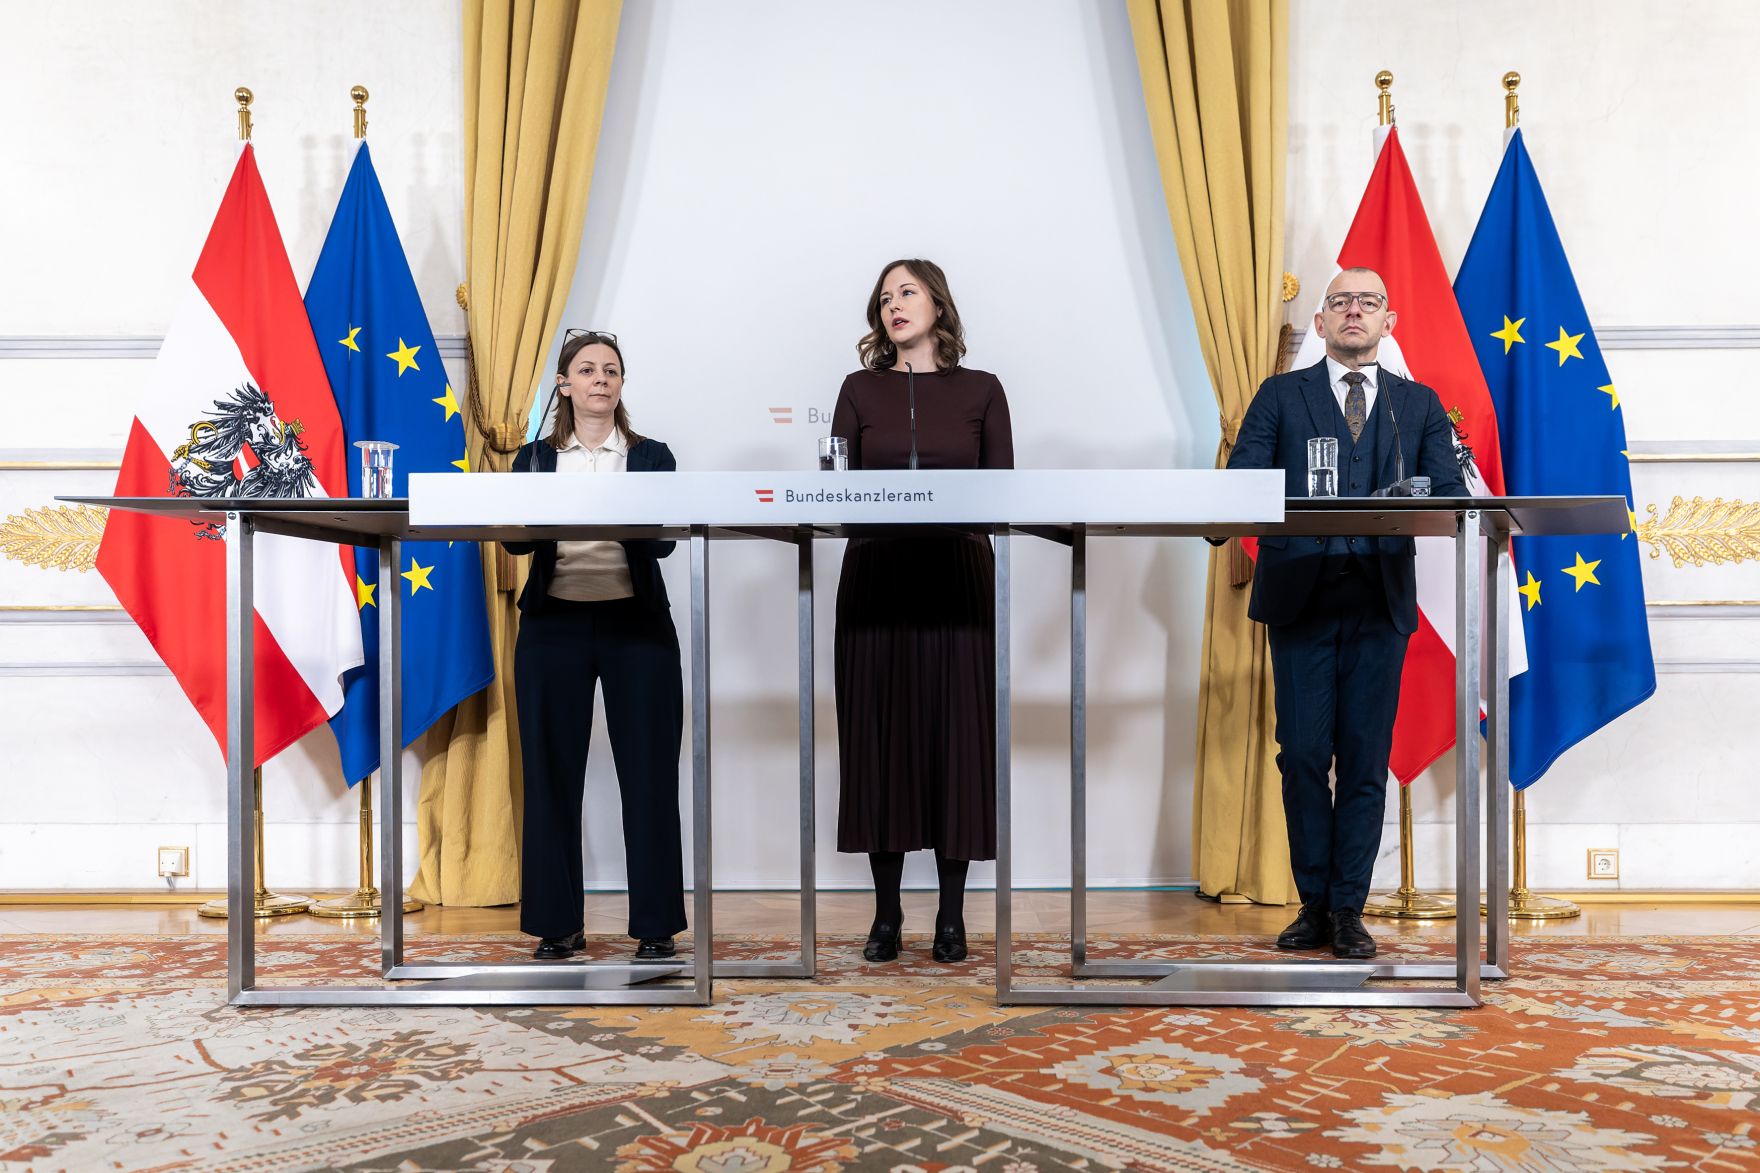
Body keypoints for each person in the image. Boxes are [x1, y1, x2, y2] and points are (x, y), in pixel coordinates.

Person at [1226, 267, 1467, 960]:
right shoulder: (1280, 395)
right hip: (1300, 597)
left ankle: (1348, 909)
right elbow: (1244, 481)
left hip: (1377, 602)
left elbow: (1449, 498)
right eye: (1339, 301)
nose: (1353, 310)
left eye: (1367, 301)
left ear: (1389, 322)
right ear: (1322, 324)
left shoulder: (1417, 405)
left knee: (1363, 759)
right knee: (1302, 755)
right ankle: (1313, 905)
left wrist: (1412, 498)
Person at [829, 258, 1014, 965]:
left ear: (938, 302)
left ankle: (952, 915)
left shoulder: (983, 390)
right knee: (880, 738)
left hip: (959, 578)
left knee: (956, 741)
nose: (893, 305)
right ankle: (884, 914)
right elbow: (833, 488)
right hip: (876, 574)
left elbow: (1004, 494)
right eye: (883, 297)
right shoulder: (858, 389)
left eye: (906, 292)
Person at [503, 330, 687, 962]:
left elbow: (661, 543)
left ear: (620, 385)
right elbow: (516, 545)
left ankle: (657, 925)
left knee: (650, 773)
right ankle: (558, 925)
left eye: (611, 370)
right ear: (565, 384)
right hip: (554, 626)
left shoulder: (652, 455)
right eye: (587, 369)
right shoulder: (532, 458)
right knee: (551, 775)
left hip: (637, 626)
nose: (600, 379)